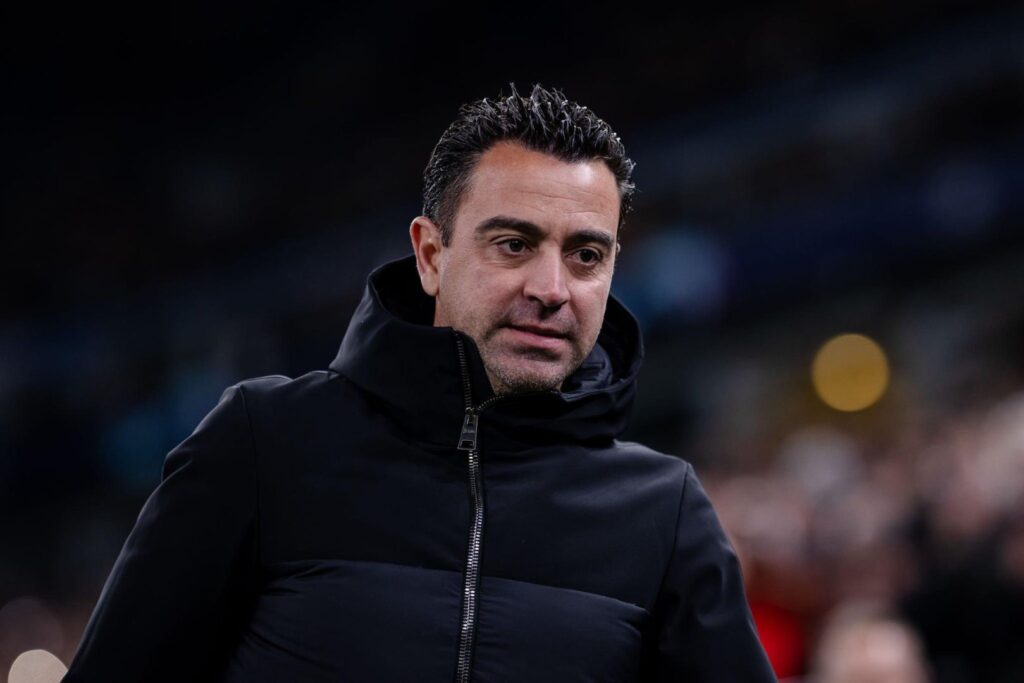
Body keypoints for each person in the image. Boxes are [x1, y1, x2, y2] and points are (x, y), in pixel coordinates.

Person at [63, 84, 776, 682]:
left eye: (585, 254)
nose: (552, 287)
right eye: (514, 244)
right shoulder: (262, 442)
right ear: (431, 254)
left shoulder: (666, 513)